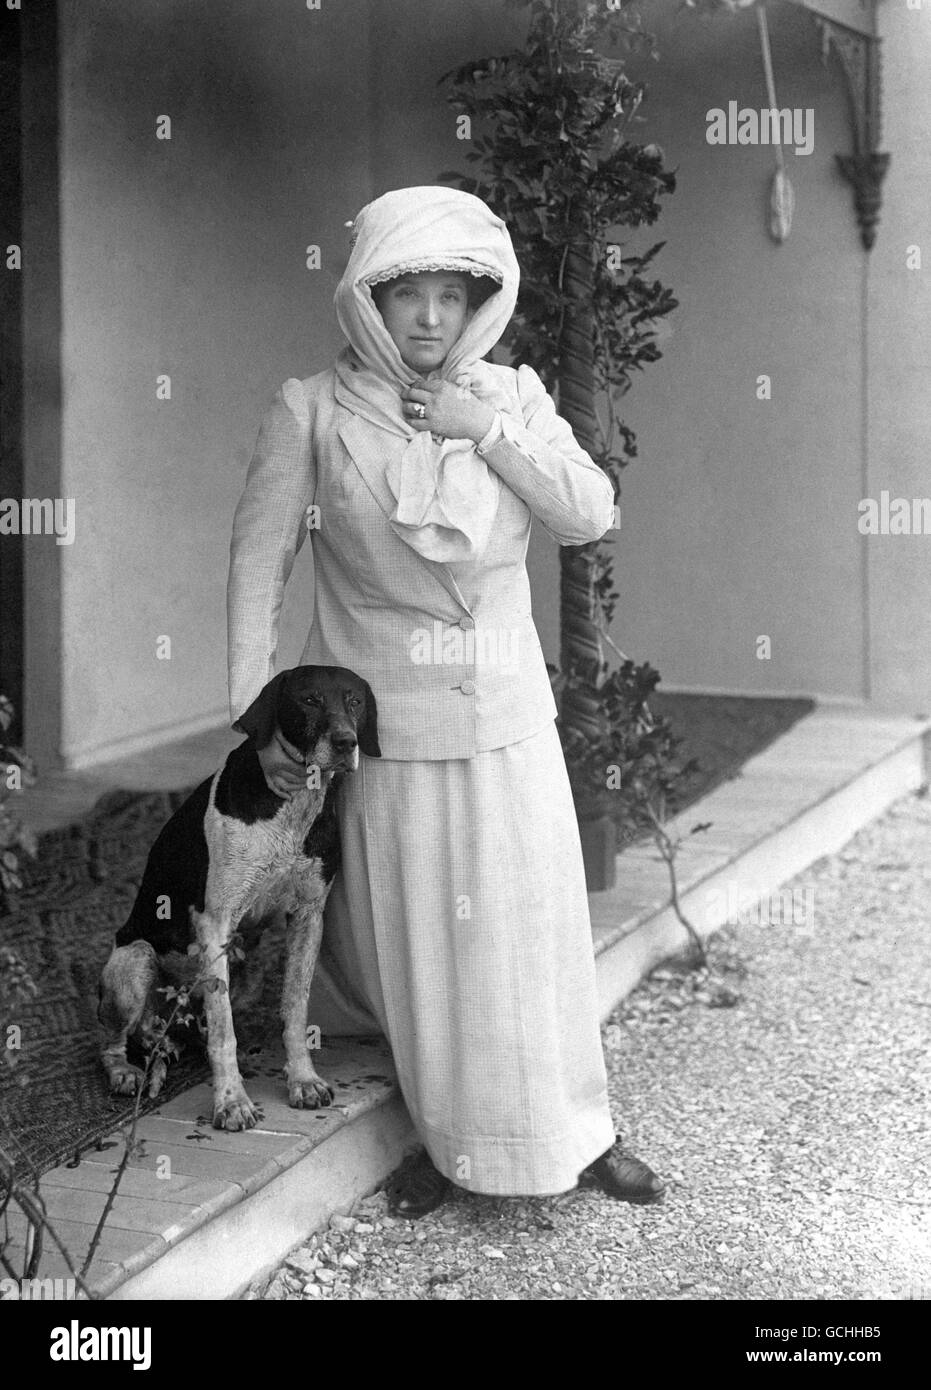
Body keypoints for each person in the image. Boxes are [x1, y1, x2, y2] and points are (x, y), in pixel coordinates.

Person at [227, 186, 665, 1217]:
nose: (428, 317)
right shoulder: (314, 409)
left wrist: (486, 432)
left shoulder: (508, 394)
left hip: (509, 716)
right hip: (388, 728)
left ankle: (581, 1129)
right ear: (365, 303)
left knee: (531, 933)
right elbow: (257, 569)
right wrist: (254, 727)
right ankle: (454, 1142)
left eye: (447, 294)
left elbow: (588, 514)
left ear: (479, 300)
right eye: (404, 295)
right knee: (427, 949)